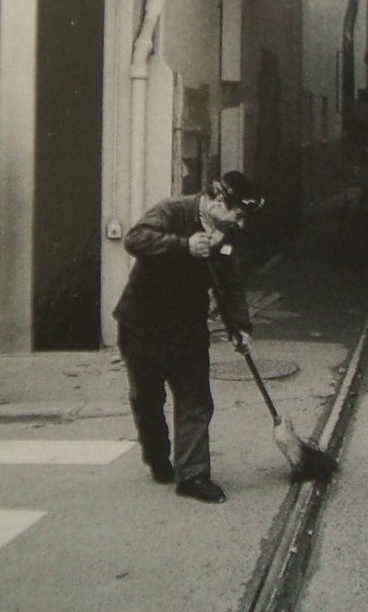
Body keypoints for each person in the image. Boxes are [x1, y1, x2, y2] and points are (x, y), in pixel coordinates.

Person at [113, 171, 263, 502]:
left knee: (196, 400)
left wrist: (239, 326)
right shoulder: (174, 210)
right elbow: (135, 238)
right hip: (143, 324)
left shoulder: (225, 236)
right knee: (148, 399)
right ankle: (157, 456)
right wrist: (183, 246)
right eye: (237, 214)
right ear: (219, 200)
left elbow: (230, 283)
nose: (240, 223)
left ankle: (193, 476)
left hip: (188, 327)